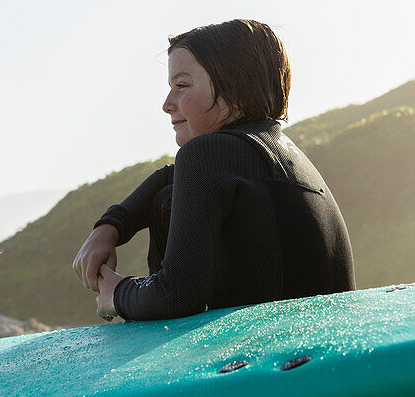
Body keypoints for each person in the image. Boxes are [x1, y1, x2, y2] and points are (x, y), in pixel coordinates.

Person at [72, 19, 354, 321]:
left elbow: (175, 295)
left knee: (166, 201)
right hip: (328, 348)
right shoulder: (277, 151)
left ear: (235, 87)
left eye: (182, 86)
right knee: (170, 191)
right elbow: (173, 174)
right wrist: (111, 226)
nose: (167, 104)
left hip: (274, 361)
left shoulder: (208, 154)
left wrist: (116, 292)